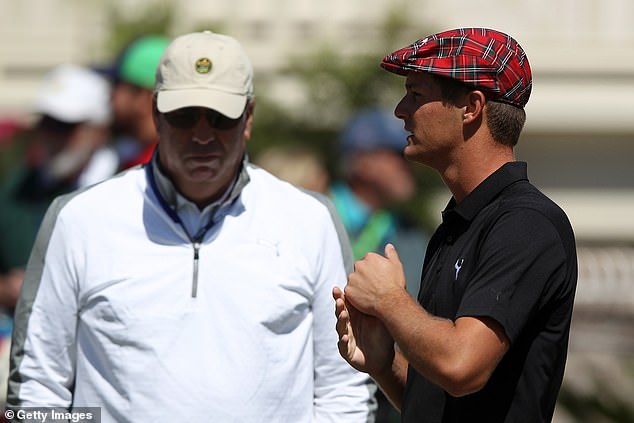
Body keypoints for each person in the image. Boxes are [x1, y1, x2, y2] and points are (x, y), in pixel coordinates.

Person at [8, 31, 375, 422]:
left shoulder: (309, 219)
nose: (202, 134)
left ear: (248, 118)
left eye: (221, 117)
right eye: (184, 116)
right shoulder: (79, 218)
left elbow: (344, 386)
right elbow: (37, 383)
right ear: (156, 116)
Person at [333, 27, 578, 423]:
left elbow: (462, 367)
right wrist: (382, 362)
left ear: (471, 107)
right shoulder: (458, 224)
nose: (400, 110)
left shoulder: (527, 224)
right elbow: (436, 400)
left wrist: (389, 300)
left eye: (416, 94)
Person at [0, 63, 112, 407]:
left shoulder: (126, 191)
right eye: (48, 123)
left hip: (98, 368)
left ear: (98, 130)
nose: (52, 136)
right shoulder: (18, 187)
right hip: (25, 355)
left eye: (66, 126)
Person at [330, 108, 427, 296]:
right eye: (398, 155)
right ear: (362, 161)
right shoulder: (314, 216)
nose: (409, 161)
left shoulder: (410, 232)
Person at [102, 35, 169, 170]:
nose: (109, 96)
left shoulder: (155, 169)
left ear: (144, 97)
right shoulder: (139, 157)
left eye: (116, 85)